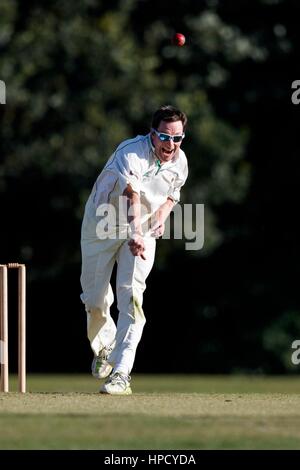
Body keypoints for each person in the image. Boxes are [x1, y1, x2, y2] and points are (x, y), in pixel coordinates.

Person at [80, 105, 188, 395]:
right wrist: (136, 232)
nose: (170, 145)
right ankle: (105, 345)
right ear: (152, 134)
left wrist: (158, 223)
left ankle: (121, 373)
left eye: (177, 139)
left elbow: (171, 196)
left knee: (132, 299)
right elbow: (131, 194)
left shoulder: (180, 162)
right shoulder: (130, 152)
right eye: (165, 137)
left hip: (141, 233)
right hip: (101, 225)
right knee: (93, 298)